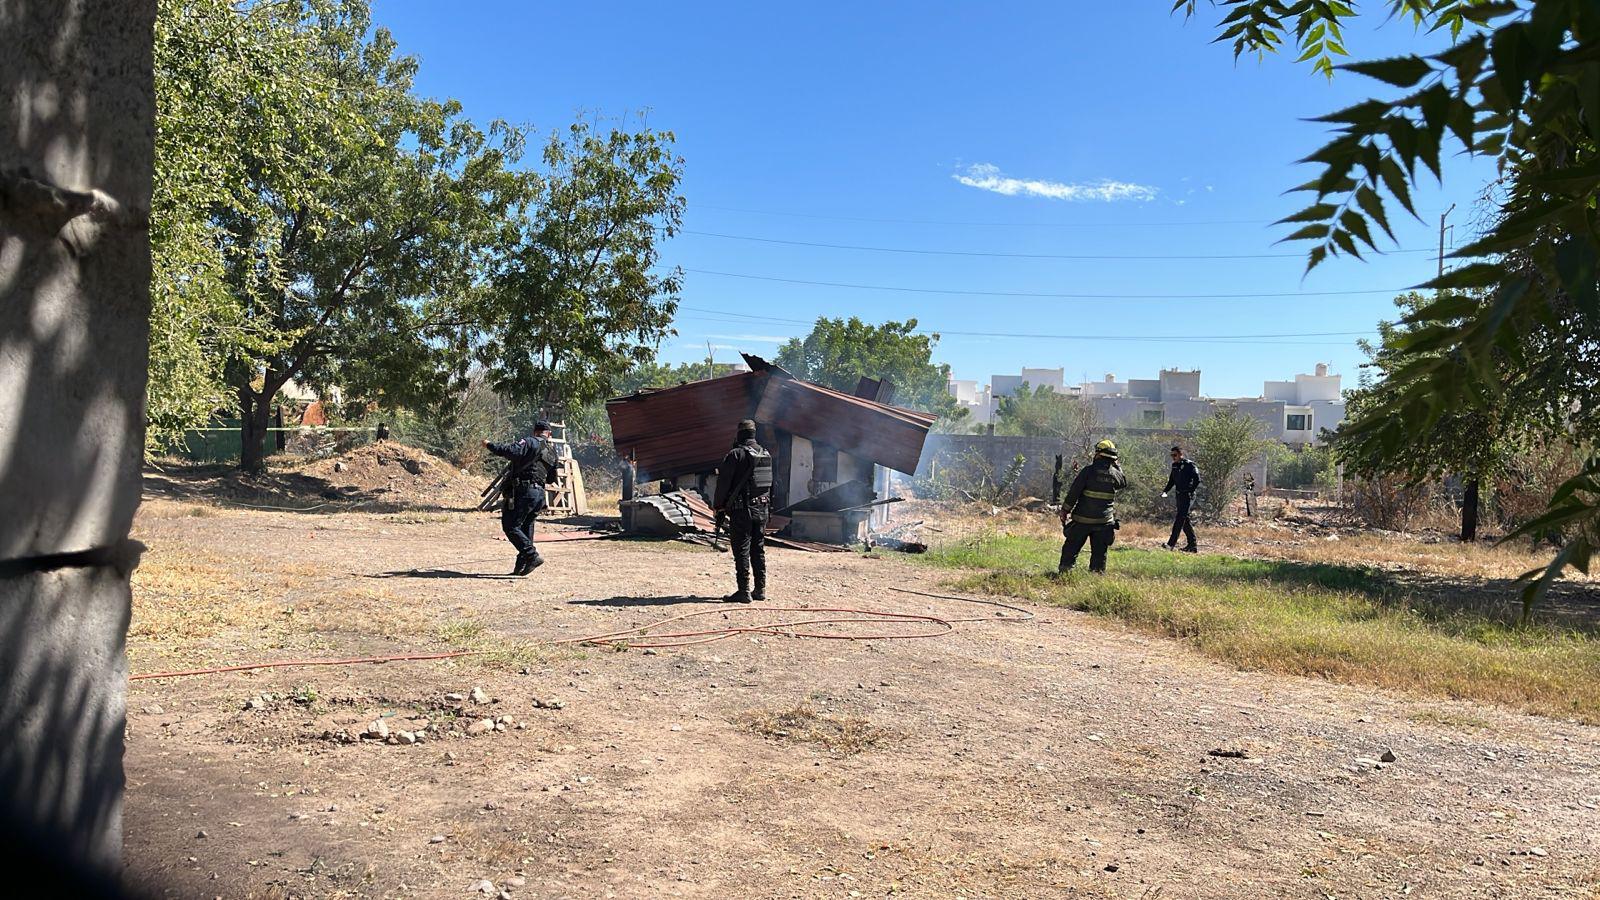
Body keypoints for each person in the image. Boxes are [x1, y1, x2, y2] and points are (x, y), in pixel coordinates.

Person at [484, 421, 560, 576]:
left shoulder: (530, 442)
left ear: (535, 432)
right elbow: (552, 478)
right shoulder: (552, 452)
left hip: (523, 491)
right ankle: (521, 565)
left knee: (510, 526)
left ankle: (531, 556)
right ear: (549, 434)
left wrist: (490, 445)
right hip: (539, 495)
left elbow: (510, 451)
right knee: (527, 527)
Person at [712, 418, 773, 603]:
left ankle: (744, 591)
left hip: (742, 510)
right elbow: (771, 484)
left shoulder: (735, 454)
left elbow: (723, 483)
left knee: (742, 550)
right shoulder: (765, 453)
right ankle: (760, 589)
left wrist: (718, 506)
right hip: (762, 508)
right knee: (758, 549)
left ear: (740, 434)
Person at [1058, 439, 1127, 575]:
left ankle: (1065, 573)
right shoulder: (1115, 474)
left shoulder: (1088, 472)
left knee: (1071, 549)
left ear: (1098, 455)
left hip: (1082, 520)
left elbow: (1074, 492)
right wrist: (1116, 465)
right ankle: (1096, 576)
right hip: (1104, 522)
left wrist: (1065, 510)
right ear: (1113, 458)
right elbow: (1123, 482)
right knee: (1099, 554)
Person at [1161, 445, 1201, 553]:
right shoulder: (1175, 466)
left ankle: (1170, 544)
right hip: (1179, 495)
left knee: (1180, 519)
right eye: (1172, 455)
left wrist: (1190, 490)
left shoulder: (1189, 465)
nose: (1173, 457)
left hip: (1188, 496)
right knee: (1185, 520)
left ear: (1181, 454)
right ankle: (1192, 546)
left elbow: (1197, 479)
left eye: (1175, 455)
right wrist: (1165, 491)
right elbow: (1171, 481)